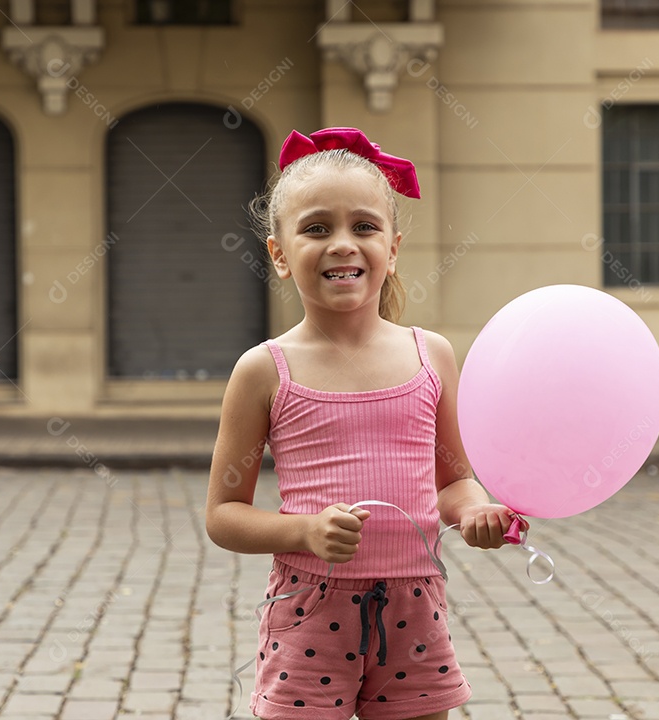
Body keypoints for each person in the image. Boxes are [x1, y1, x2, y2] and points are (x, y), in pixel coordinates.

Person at [206, 127, 522, 720]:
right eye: (317, 228)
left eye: (365, 227)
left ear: (394, 248)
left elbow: (453, 481)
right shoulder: (263, 370)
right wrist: (304, 532)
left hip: (416, 606)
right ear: (279, 254)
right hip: (309, 610)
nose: (343, 244)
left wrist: (475, 512)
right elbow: (223, 517)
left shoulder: (433, 355)